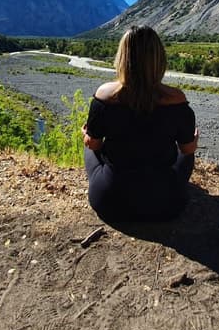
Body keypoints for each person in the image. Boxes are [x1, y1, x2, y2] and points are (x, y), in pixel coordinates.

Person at [82, 25, 198, 222]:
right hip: (166, 205)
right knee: (186, 154)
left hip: (111, 203)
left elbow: (94, 144)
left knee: (90, 142)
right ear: (159, 60)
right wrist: (193, 137)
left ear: (122, 58)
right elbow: (187, 149)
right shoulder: (177, 99)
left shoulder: (104, 96)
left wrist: (87, 134)